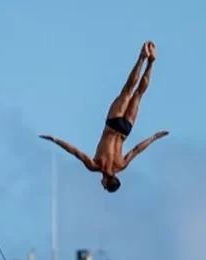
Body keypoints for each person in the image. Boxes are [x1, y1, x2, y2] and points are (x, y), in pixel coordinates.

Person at [40, 41, 169, 193]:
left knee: (137, 94)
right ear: (107, 182)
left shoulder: (121, 165)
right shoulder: (95, 165)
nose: (101, 184)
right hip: (113, 124)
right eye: (104, 186)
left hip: (125, 130)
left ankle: (150, 63)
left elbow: (137, 150)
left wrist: (154, 137)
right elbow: (75, 152)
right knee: (128, 91)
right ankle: (142, 58)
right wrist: (55, 140)